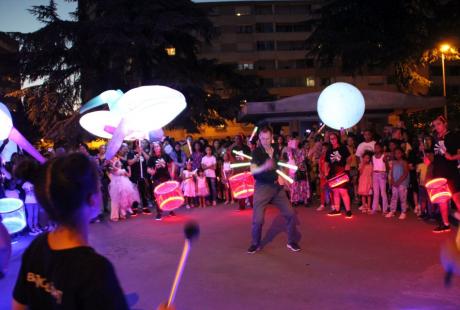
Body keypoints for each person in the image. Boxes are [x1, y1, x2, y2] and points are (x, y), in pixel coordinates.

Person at [12, 153, 129, 309]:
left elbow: (18, 305)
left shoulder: (36, 248)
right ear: (92, 199)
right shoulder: (95, 271)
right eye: (99, 186)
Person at [247, 126, 300, 254]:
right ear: (259, 138)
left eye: (268, 138)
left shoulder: (276, 149)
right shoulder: (256, 152)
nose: (265, 141)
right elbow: (253, 171)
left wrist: (284, 179)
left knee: (290, 214)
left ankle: (291, 241)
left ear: (272, 138)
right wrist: (264, 166)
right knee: (258, 219)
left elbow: (278, 167)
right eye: (263, 138)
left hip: (277, 187)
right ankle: (255, 243)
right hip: (262, 187)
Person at [429, 115, 460, 232]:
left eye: (439, 124)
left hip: (451, 172)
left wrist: (452, 157)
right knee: (442, 199)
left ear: (445, 124)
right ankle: (445, 224)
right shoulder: (434, 138)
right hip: (439, 173)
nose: (436, 127)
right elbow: (433, 156)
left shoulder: (453, 136)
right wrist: (428, 159)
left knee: (457, 199)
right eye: (435, 125)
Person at [326, 132, 352, 218]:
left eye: (334, 138)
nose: (332, 140)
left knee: (343, 191)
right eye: (331, 139)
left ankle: (348, 211)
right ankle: (337, 210)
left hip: (341, 171)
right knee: (335, 192)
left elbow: (349, 158)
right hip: (332, 173)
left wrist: (347, 168)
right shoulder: (329, 150)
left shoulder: (343, 148)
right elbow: (326, 162)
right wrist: (326, 173)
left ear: (337, 139)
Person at [148, 142, 174, 220]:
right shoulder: (151, 158)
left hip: (166, 178)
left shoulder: (165, 156)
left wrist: (172, 173)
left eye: (158, 146)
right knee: (158, 196)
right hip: (156, 179)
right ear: (153, 149)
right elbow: (148, 169)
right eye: (155, 147)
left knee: (168, 194)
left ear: (160, 147)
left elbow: (172, 163)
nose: (156, 148)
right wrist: (151, 171)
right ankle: (159, 212)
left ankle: (171, 210)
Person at [109, 154, 138, 221]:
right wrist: (113, 162)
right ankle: (114, 216)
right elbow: (114, 170)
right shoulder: (113, 169)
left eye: (119, 161)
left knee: (123, 199)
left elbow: (129, 175)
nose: (118, 161)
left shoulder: (122, 170)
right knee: (115, 200)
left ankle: (122, 214)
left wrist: (129, 169)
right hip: (116, 186)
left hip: (124, 185)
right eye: (117, 161)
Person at [127, 140, 151, 215]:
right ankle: (134, 208)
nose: (139, 144)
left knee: (143, 192)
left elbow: (148, 159)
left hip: (142, 176)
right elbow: (129, 162)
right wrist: (137, 155)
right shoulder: (131, 153)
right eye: (137, 142)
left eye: (140, 142)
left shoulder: (143, 152)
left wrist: (142, 152)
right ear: (135, 143)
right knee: (135, 193)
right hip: (134, 176)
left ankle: (145, 207)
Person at [387, 147, 409, 219]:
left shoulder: (404, 162)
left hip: (402, 183)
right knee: (394, 196)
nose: (397, 155)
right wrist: (393, 181)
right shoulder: (394, 162)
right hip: (395, 183)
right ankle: (392, 211)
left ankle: (403, 212)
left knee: (402, 197)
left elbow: (405, 173)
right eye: (395, 153)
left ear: (402, 154)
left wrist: (399, 182)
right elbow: (392, 172)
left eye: (399, 153)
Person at [371, 142, 389, 214]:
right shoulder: (372, 157)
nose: (376, 149)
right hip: (375, 174)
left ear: (381, 148)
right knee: (375, 192)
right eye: (375, 147)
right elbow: (373, 166)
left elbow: (387, 167)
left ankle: (385, 209)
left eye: (378, 147)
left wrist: (386, 161)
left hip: (382, 174)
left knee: (383, 192)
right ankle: (374, 208)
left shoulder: (383, 156)